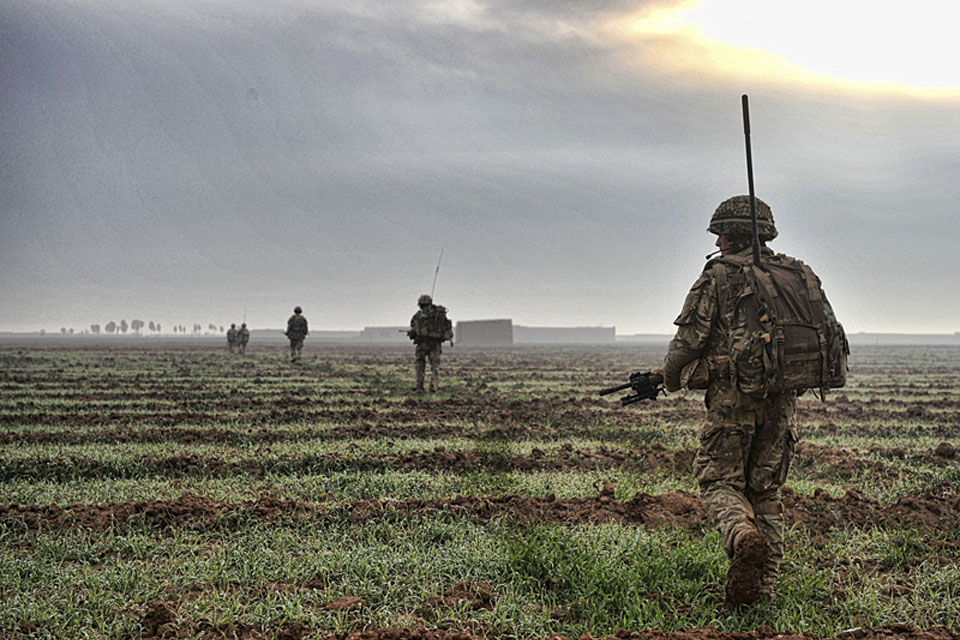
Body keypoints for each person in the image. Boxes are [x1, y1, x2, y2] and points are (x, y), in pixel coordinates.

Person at [661, 195, 846, 606]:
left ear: (727, 236)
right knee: (766, 492)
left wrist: (671, 377)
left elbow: (688, 341)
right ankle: (763, 588)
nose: (719, 242)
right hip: (782, 401)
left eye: (720, 235)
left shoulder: (719, 276)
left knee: (720, 481)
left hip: (733, 401)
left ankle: (742, 535)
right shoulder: (796, 275)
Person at [407, 294, 453, 393]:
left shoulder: (431, 315)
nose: (424, 308)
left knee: (428, 365)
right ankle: (427, 386)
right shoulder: (423, 316)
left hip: (429, 344)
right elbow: (414, 328)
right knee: (427, 365)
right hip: (427, 344)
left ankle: (427, 386)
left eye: (425, 305)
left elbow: (414, 328)